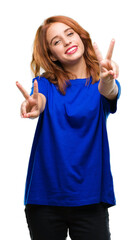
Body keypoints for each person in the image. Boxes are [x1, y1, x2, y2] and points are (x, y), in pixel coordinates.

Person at [16, 15, 121, 240]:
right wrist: (33, 104)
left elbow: (109, 91)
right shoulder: (44, 84)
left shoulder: (101, 83)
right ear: (52, 55)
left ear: (81, 36)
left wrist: (108, 78)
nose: (66, 41)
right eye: (56, 41)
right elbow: (39, 100)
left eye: (69, 33)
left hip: (91, 198)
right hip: (44, 199)